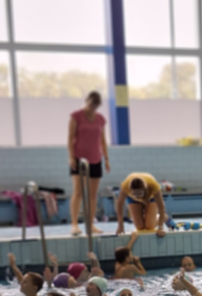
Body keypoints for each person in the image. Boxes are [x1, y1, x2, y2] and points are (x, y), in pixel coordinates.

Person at [68, 91, 109, 236]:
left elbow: (102, 140)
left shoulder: (100, 119)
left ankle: (90, 224)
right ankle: (74, 224)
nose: (92, 108)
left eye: (95, 106)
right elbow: (70, 138)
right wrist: (71, 157)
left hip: (96, 159)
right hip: (79, 159)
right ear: (86, 101)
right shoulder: (76, 116)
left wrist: (107, 159)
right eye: (91, 105)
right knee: (78, 192)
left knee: (92, 195)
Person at [116, 173, 167, 237]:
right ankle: (148, 216)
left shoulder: (153, 186)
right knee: (139, 227)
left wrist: (161, 227)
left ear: (145, 189)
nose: (139, 198)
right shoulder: (125, 186)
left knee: (149, 226)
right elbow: (119, 205)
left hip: (150, 198)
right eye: (136, 195)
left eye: (140, 195)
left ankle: (165, 217)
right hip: (132, 199)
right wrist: (120, 226)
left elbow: (161, 207)